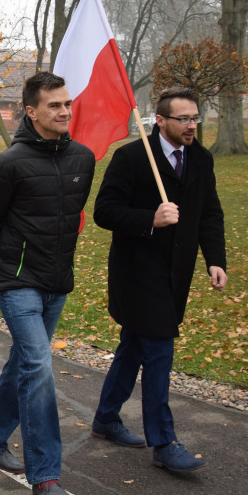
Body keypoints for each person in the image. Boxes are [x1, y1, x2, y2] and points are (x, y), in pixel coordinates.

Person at [0, 72, 95, 495]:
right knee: (40, 366)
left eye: (67, 104)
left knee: (24, 361)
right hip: (17, 282)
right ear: (31, 111)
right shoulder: (9, 163)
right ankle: (45, 477)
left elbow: (71, 222)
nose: (64, 111)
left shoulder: (84, 158)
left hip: (56, 283)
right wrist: (7, 266)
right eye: (54, 106)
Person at [91, 86, 226, 473]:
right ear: (161, 121)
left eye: (196, 118)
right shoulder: (132, 158)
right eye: (183, 119)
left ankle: (105, 418)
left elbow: (209, 214)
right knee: (158, 353)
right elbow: (105, 211)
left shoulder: (201, 159)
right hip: (137, 275)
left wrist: (215, 259)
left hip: (175, 275)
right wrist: (150, 218)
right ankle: (164, 442)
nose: (191, 125)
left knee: (134, 347)